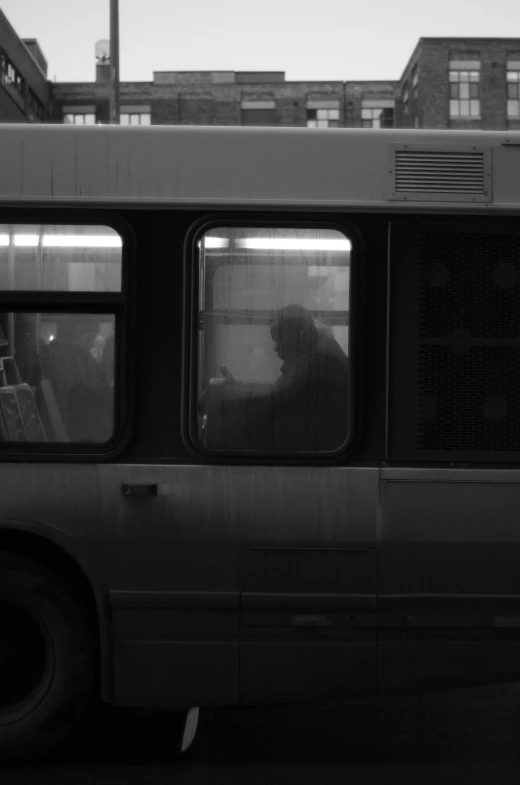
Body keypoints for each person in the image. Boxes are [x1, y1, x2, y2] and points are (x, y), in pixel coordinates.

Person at [200, 305, 349, 452]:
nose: (275, 348)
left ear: (300, 335)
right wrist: (237, 388)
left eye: (280, 340)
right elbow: (278, 394)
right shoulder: (316, 350)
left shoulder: (318, 362)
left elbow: (276, 400)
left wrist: (221, 394)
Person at [41, 319, 112, 442]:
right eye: (89, 338)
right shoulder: (66, 357)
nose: (93, 344)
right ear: (74, 335)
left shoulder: (85, 359)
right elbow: (66, 395)